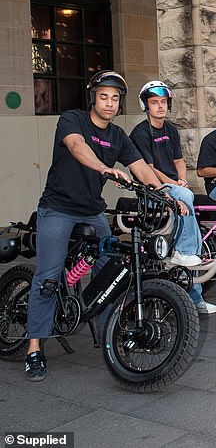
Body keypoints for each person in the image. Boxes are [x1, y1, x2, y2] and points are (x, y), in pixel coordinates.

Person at [24, 71, 163, 382]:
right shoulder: (73, 120)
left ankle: (111, 333)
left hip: (92, 212)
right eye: (104, 96)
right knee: (48, 276)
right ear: (93, 98)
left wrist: (167, 195)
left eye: (115, 98)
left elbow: (140, 167)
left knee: (112, 269)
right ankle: (34, 349)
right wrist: (104, 167)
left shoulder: (118, 137)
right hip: (58, 208)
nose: (110, 103)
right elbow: (76, 147)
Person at [130, 81, 216, 315]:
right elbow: (147, 169)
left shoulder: (171, 130)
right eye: (154, 103)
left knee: (195, 242)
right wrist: (174, 186)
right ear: (145, 106)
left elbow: (179, 160)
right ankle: (184, 251)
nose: (159, 107)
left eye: (163, 103)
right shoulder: (140, 132)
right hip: (152, 191)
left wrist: (180, 179)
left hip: (173, 188)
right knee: (185, 198)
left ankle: (195, 297)